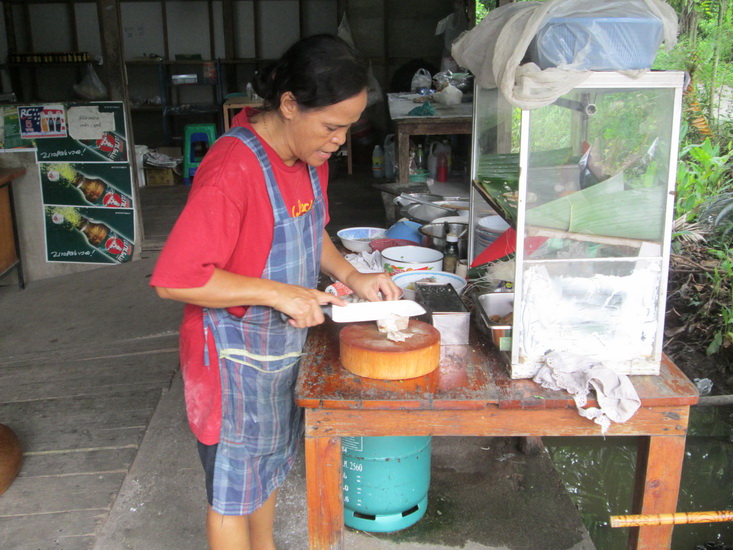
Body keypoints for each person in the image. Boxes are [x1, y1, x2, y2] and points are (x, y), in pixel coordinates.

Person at [150, 34, 400, 550]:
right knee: (230, 496)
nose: (339, 140)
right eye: (332, 126)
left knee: (264, 474)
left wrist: (354, 276)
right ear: (289, 104)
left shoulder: (311, 155)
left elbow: (315, 234)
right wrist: (280, 293)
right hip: (230, 361)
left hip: (277, 352)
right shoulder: (232, 169)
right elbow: (177, 279)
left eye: (348, 128)